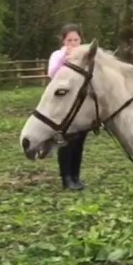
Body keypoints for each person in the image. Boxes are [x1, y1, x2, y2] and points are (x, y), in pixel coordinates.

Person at [47, 24, 88, 190]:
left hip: (81, 102)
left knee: (79, 141)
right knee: (66, 140)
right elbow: (52, 74)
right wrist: (65, 57)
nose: (73, 43)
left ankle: (76, 176)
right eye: (69, 40)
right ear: (63, 40)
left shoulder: (85, 54)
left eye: (76, 40)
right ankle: (66, 178)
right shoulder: (57, 55)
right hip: (64, 102)